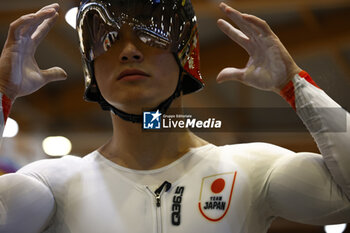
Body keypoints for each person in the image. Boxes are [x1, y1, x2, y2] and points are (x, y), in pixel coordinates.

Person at [0, 0, 349, 232]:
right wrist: (2, 92)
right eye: (108, 40)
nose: (129, 51)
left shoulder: (251, 169)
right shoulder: (54, 185)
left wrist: (295, 84)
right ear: (91, 68)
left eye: (150, 36)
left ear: (185, 56)